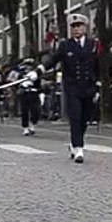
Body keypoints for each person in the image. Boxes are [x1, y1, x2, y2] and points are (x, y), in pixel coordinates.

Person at [32, 13, 101, 163]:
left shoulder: (93, 44)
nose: (76, 29)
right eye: (73, 27)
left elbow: (99, 65)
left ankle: (74, 142)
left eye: (79, 26)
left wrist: (98, 85)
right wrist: (38, 71)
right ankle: (78, 149)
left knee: (84, 119)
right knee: (75, 117)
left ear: (85, 28)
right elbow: (53, 59)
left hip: (88, 87)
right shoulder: (65, 45)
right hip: (72, 87)